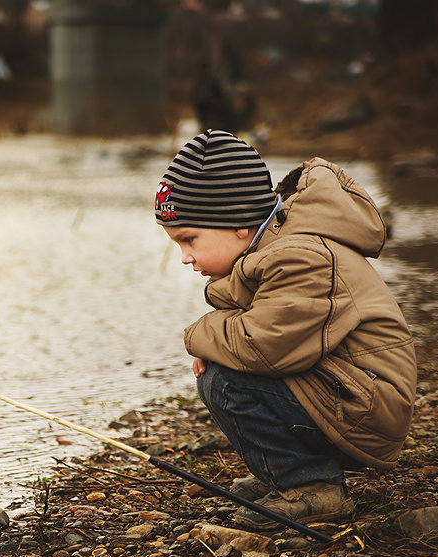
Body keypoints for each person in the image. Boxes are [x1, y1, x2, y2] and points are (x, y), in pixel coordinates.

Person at [154, 130, 417, 530]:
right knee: (225, 368)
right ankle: (285, 473)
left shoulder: (299, 256)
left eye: (189, 239)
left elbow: (265, 347)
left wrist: (199, 334)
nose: (186, 257)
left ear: (237, 222)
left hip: (368, 409)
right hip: (350, 392)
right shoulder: (274, 247)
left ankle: (313, 486)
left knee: (227, 379)